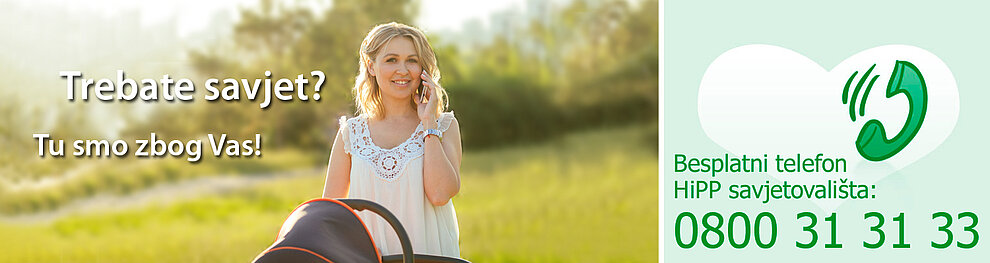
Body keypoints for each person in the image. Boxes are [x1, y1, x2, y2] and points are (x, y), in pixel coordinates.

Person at [322, 22, 462, 258]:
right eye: (391, 60)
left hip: (430, 257)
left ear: (423, 70)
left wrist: (429, 124)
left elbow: (440, 194)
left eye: (412, 60)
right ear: (371, 66)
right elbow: (329, 213)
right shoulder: (351, 133)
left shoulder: (444, 126)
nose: (403, 70)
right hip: (367, 259)